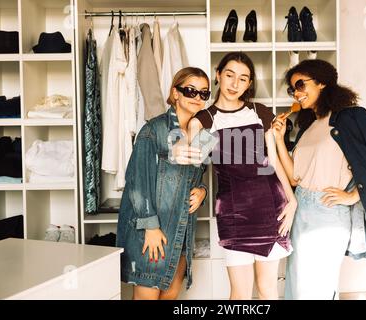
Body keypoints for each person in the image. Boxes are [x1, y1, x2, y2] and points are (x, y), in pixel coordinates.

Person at [272, 59, 366, 299]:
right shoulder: (307, 127)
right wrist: (280, 140)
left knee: (317, 286)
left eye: (300, 85)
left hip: (328, 211)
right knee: (297, 285)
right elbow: (294, 177)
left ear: (321, 82)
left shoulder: (351, 118)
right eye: (292, 89)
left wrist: (353, 195)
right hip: (301, 211)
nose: (296, 93)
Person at [188, 52, 297, 299]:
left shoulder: (260, 112)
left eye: (243, 78)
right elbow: (195, 161)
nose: (235, 84)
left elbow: (274, 162)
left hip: (271, 208)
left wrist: (292, 200)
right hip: (233, 212)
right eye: (229, 75)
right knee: (240, 293)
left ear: (249, 84)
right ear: (218, 75)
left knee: (268, 289)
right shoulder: (205, 119)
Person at [116, 67, 211, 300]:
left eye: (204, 93)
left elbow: (200, 176)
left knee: (170, 297)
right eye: (190, 91)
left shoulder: (205, 135)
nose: (197, 97)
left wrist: (202, 191)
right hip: (154, 231)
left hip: (182, 231)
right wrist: (151, 227)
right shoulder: (153, 131)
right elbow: (137, 182)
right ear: (175, 93)